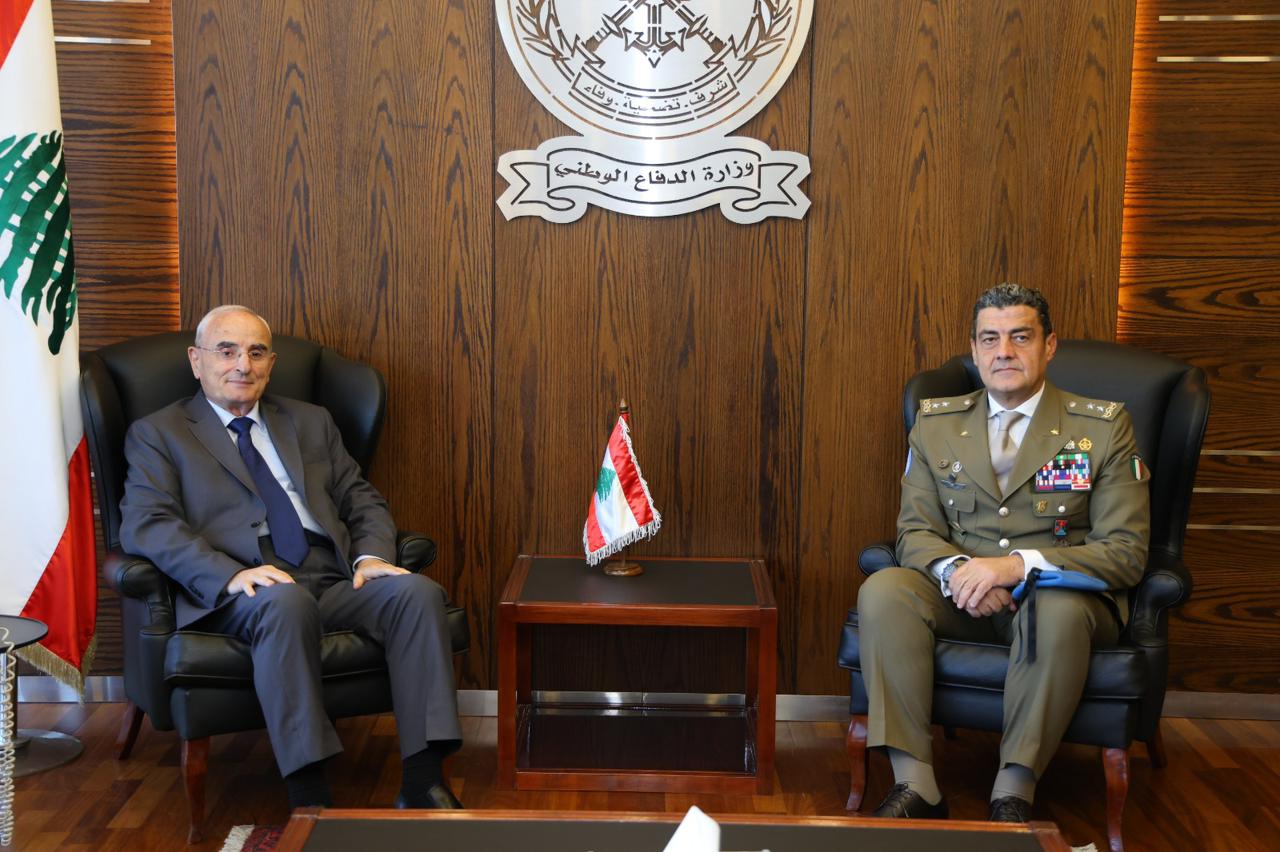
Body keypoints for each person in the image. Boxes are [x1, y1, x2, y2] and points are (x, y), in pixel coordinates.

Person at [120, 305, 463, 810]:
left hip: (330, 572)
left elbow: (361, 500)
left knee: (416, 593)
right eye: (226, 351)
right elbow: (146, 523)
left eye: (256, 352)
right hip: (243, 584)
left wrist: (370, 557)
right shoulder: (159, 432)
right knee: (285, 602)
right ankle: (309, 796)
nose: (243, 364)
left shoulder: (310, 421)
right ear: (196, 360)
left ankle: (422, 781)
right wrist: (229, 574)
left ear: (271, 363)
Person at [858, 283, 1150, 822]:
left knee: (1056, 609)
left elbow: (1125, 552)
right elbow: (915, 532)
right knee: (884, 590)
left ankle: (1013, 791)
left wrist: (1013, 567)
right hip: (962, 597)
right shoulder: (936, 423)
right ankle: (916, 785)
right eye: (989, 339)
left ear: (1049, 346)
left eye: (1020, 337)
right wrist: (959, 572)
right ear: (974, 350)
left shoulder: (1103, 428)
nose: (1004, 352)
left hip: (1060, 600)